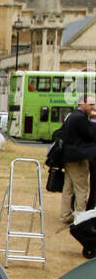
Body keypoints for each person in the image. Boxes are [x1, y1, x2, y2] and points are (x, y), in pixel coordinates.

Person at [59, 95, 96, 226]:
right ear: (82, 104)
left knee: (68, 187)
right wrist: (93, 120)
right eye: (91, 104)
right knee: (82, 187)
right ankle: (81, 217)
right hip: (77, 157)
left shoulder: (72, 116)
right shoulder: (80, 118)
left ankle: (66, 214)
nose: (93, 107)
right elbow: (90, 135)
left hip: (69, 156)